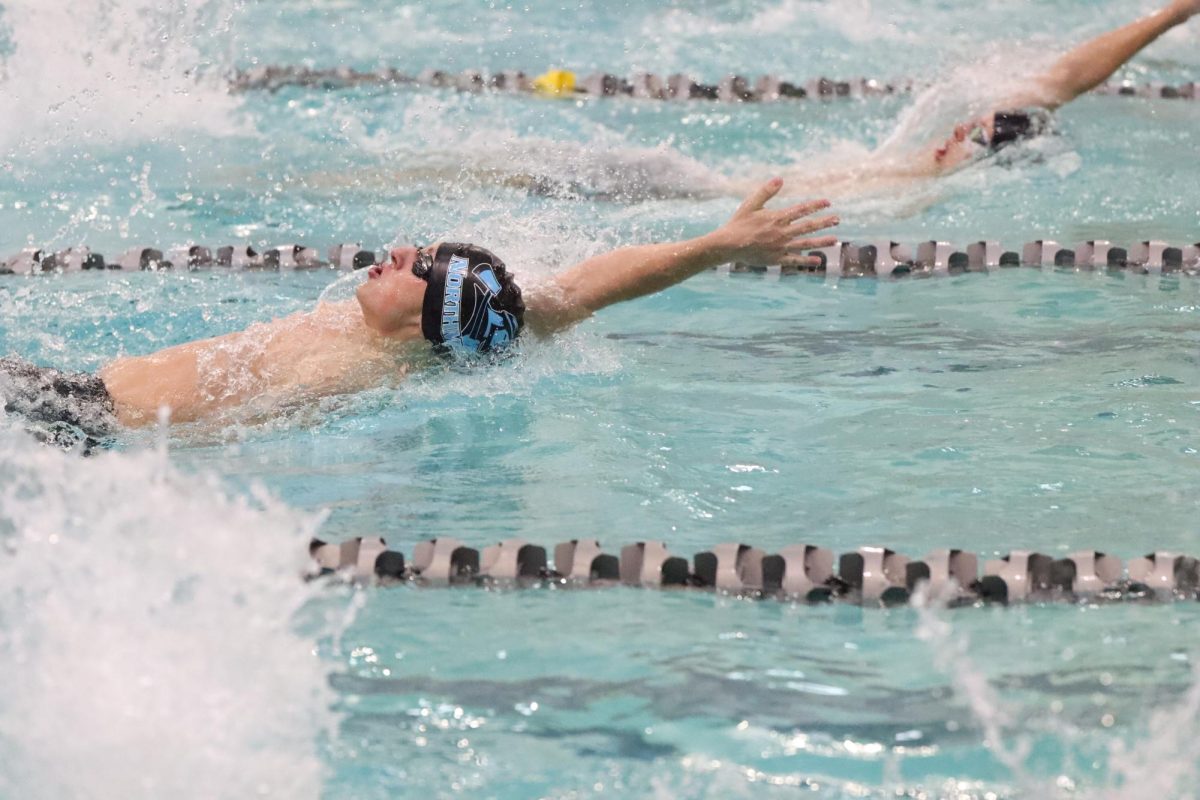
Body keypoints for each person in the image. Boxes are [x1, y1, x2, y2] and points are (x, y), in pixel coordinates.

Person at [0, 180, 837, 448]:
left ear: (424, 319)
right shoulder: (443, 339)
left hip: (87, 421)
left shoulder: (348, 366)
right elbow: (582, 289)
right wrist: (717, 243)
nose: (398, 251)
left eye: (419, 266)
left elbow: (213, 438)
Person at [772, 0, 1200, 199]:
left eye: (975, 137)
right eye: (974, 124)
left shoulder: (891, 199)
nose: (960, 130)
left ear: (988, 162)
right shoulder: (887, 165)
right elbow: (1065, 79)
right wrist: (1172, 15)